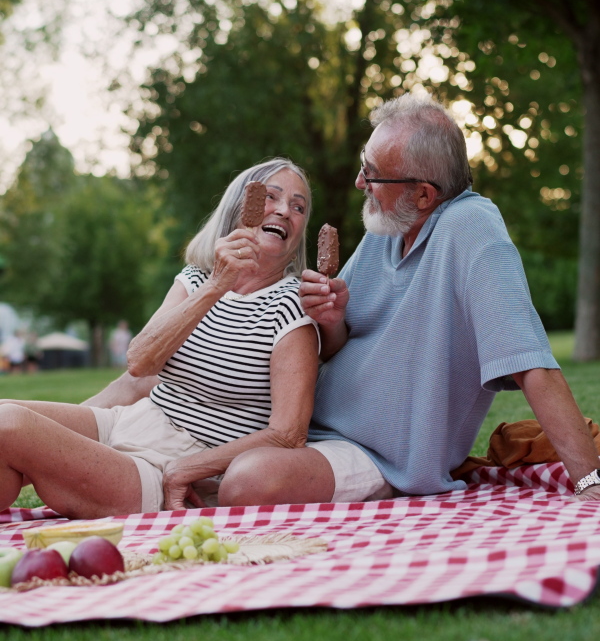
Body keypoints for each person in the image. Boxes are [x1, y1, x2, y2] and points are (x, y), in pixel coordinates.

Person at [205, 92, 600, 506]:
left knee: (246, 482)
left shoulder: (472, 229)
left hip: (375, 456)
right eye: (363, 163)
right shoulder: (387, 229)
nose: (360, 182)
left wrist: (590, 483)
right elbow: (339, 345)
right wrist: (332, 318)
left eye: (372, 174)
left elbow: (532, 365)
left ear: (424, 195)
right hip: (307, 428)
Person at [0, 159, 319, 518]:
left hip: (167, 467)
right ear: (239, 207)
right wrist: (217, 284)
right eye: (271, 197)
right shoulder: (197, 280)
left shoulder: (294, 307)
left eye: (298, 206)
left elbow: (288, 433)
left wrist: (192, 467)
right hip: (130, 421)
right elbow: (140, 362)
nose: (284, 210)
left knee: (10, 424)